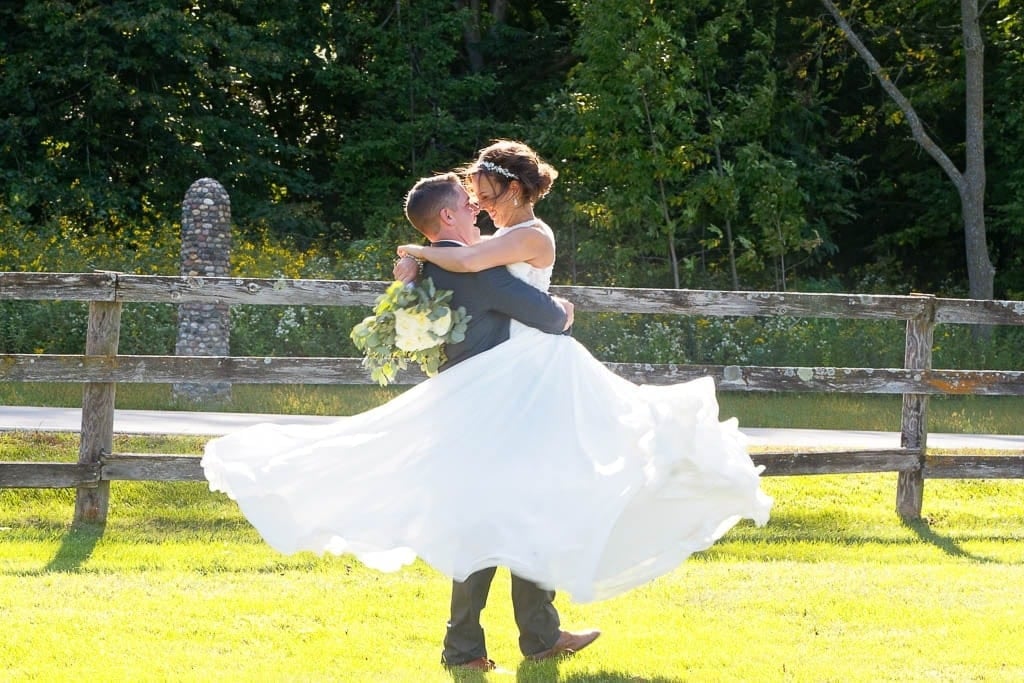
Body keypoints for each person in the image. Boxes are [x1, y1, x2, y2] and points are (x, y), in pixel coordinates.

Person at [202, 171, 599, 673]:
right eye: (465, 202)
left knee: (498, 520)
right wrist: (564, 310)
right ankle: (509, 643)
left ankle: (500, 643)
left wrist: (413, 259)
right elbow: (545, 318)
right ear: (448, 216)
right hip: (498, 408)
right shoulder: (478, 269)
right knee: (517, 518)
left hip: (466, 404)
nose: (476, 208)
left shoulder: (422, 275)